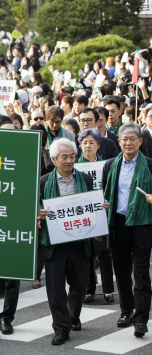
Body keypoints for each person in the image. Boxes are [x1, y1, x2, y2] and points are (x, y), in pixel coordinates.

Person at [37, 138, 101, 345]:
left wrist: (100, 208)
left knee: (80, 284)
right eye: (64, 157)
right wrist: (38, 214)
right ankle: (61, 327)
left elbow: (93, 204)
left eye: (72, 156)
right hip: (53, 243)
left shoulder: (85, 179)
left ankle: (73, 316)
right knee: (55, 287)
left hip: (79, 242)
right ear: (54, 159)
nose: (69, 160)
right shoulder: (44, 181)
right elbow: (34, 207)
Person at [102, 122, 152, 338]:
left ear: (140, 142)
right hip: (119, 223)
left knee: (141, 273)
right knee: (121, 271)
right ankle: (126, 311)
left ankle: (141, 318)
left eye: (133, 139)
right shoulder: (110, 165)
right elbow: (106, 193)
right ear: (119, 142)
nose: (129, 142)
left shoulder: (150, 165)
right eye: (125, 139)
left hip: (142, 224)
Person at [76, 129, 115, 304]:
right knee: (87, 253)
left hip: (101, 212)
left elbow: (111, 189)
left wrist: (109, 203)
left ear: (99, 145)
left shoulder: (106, 165)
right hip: (83, 213)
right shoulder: (75, 166)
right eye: (84, 143)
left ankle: (108, 290)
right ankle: (89, 289)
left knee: (104, 252)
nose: (88, 146)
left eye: (92, 142)